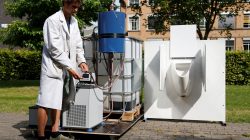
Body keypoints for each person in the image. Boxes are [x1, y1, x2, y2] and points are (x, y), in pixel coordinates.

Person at [36, 0, 88, 139]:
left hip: (65, 67)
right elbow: (54, 49)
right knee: (45, 101)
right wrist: (70, 67)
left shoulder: (74, 22)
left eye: (78, 7)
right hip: (52, 67)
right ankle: (40, 135)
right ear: (65, 3)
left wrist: (81, 61)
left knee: (58, 99)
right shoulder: (52, 21)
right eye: (73, 6)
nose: (76, 9)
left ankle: (55, 132)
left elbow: (78, 44)